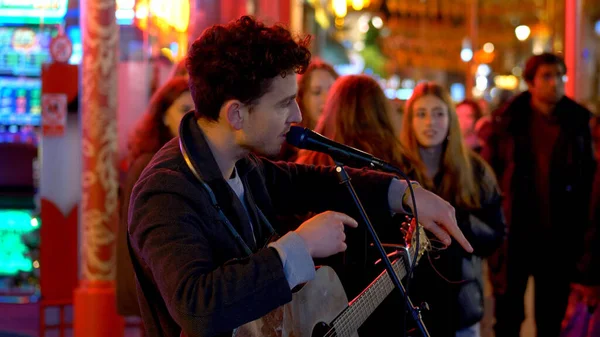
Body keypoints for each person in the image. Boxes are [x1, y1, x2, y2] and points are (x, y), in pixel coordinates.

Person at [127, 16, 473, 337]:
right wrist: (299, 246)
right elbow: (195, 306)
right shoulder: (166, 191)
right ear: (236, 114)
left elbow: (312, 182)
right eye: (283, 104)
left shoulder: (241, 163)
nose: (297, 114)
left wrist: (403, 193)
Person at [481, 52, 597, 337]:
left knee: (550, 320)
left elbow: (588, 186)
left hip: (558, 239)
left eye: (560, 76)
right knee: (507, 319)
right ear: (531, 83)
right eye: (547, 76)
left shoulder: (578, 123)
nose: (555, 83)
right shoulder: (507, 122)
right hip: (515, 236)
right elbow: (490, 180)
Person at [295, 74, 415, 335]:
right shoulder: (396, 164)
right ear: (381, 112)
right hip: (382, 295)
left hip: (321, 304)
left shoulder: (308, 164)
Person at [397, 82, 505, 337]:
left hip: (459, 306)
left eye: (438, 113)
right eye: (421, 114)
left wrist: (458, 222)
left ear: (450, 119)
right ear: (410, 120)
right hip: (409, 310)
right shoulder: (396, 172)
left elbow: (496, 234)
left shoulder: (474, 170)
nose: (429, 122)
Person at [116, 76, 193, 317]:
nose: (193, 119)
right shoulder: (150, 164)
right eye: (184, 110)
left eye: (198, 111)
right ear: (163, 115)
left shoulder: (181, 160)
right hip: (152, 282)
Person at [277, 58, 338, 161]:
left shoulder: (345, 140)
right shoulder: (284, 146)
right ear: (302, 97)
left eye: (332, 90)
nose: (327, 98)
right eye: (317, 92)